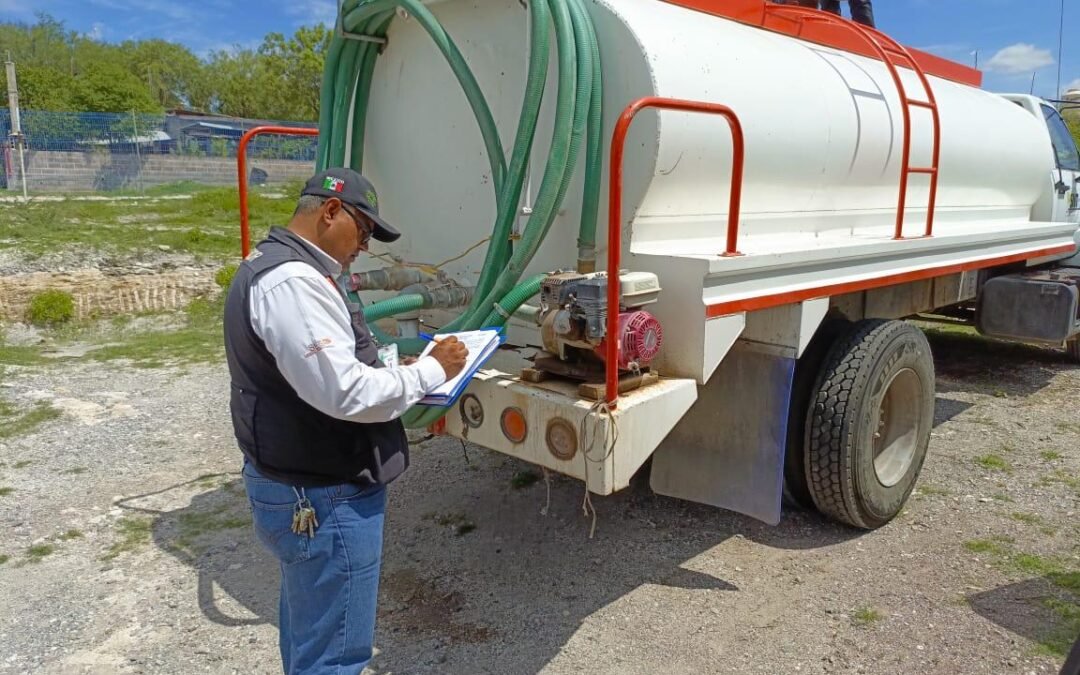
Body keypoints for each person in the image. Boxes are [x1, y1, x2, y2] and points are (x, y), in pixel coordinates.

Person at [223, 167, 469, 674]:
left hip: (299, 483)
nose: (365, 245)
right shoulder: (293, 282)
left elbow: (323, 373)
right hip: (323, 494)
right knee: (335, 655)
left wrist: (387, 368)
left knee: (311, 628)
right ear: (331, 212)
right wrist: (429, 370)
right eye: (363, 229)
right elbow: (347, 393)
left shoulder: (277, 266)